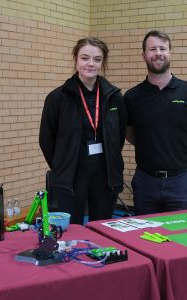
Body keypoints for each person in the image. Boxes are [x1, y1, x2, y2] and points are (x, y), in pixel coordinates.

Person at [39, 37, 126, 225]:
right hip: (71, 174)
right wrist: (62, 165)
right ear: (75, 59)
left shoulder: (114, 97)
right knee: (71, 230)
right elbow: (46, 140)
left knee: (102, 228)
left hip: (104, 174)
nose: (90, 64)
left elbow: (118, 137)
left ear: (103, 62)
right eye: (85, 58)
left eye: (97, 59)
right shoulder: (57, 98)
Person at [124, 30, 187, 215]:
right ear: (144, 55)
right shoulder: (132, 97)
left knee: (182, 238)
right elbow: (129, 133)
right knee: (144, 238)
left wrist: (181, 149)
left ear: (170, 52)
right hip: (146, 182)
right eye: (152, 49)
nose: (158, 53)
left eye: (162, 48)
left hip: (181, 181)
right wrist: (151, 146)